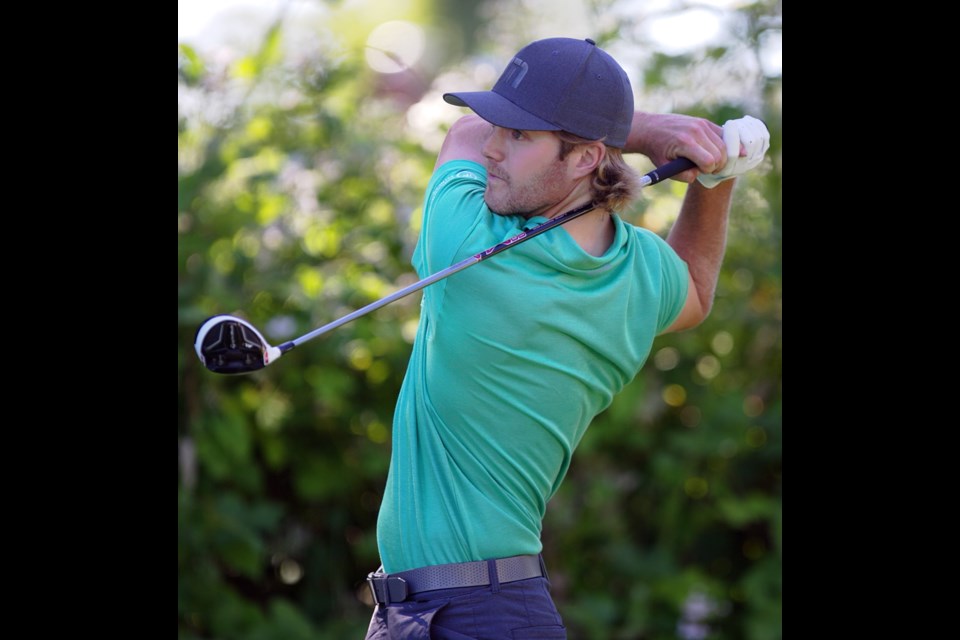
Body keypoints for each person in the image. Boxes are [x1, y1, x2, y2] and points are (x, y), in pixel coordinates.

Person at [363, 37, 770, 639]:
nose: (496, 146)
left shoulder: (469, 245)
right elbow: (697, 291)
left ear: (585, 158)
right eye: (503, 125)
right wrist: (718, 177)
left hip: (464, 617)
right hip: (480, 609)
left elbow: (463, 137)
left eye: (521, 135)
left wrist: (650, 129)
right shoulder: (640, 275)